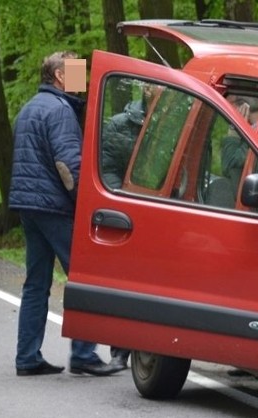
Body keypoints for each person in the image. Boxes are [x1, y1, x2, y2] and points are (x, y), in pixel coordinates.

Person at [9, 51, 123, 377]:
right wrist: (85, 204)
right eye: (75, 71)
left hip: (29, 207)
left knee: (36, 283)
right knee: (84, 277)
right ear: (60, 76)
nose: (82, 78)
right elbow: (68, 165)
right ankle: (84, 354)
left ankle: (27, 357)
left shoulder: (29, 107)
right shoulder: (60, 110)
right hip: (54, 206)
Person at [99, 83, 159, 369]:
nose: (155, 90)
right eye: (151, 86)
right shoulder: (119, 124)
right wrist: (120, 202)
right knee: (123, 282)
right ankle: (119, 351)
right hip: (129, 214)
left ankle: (151, 349)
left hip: (163, 215)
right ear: (145, 90)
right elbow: (107, 167)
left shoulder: (174, 122)